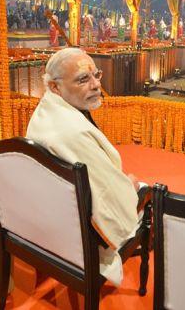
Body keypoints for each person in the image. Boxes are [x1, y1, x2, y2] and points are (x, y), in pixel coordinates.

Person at [26, 48, 147, 286]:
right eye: (83, 79)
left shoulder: (46, 110)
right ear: (54, 87)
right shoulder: (73, 132)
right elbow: (110, 196)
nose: (95, 85)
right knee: (146, 191)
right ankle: (138, 242)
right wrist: (130, 186)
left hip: (53, 214)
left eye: (96, 75)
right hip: (80, 232)